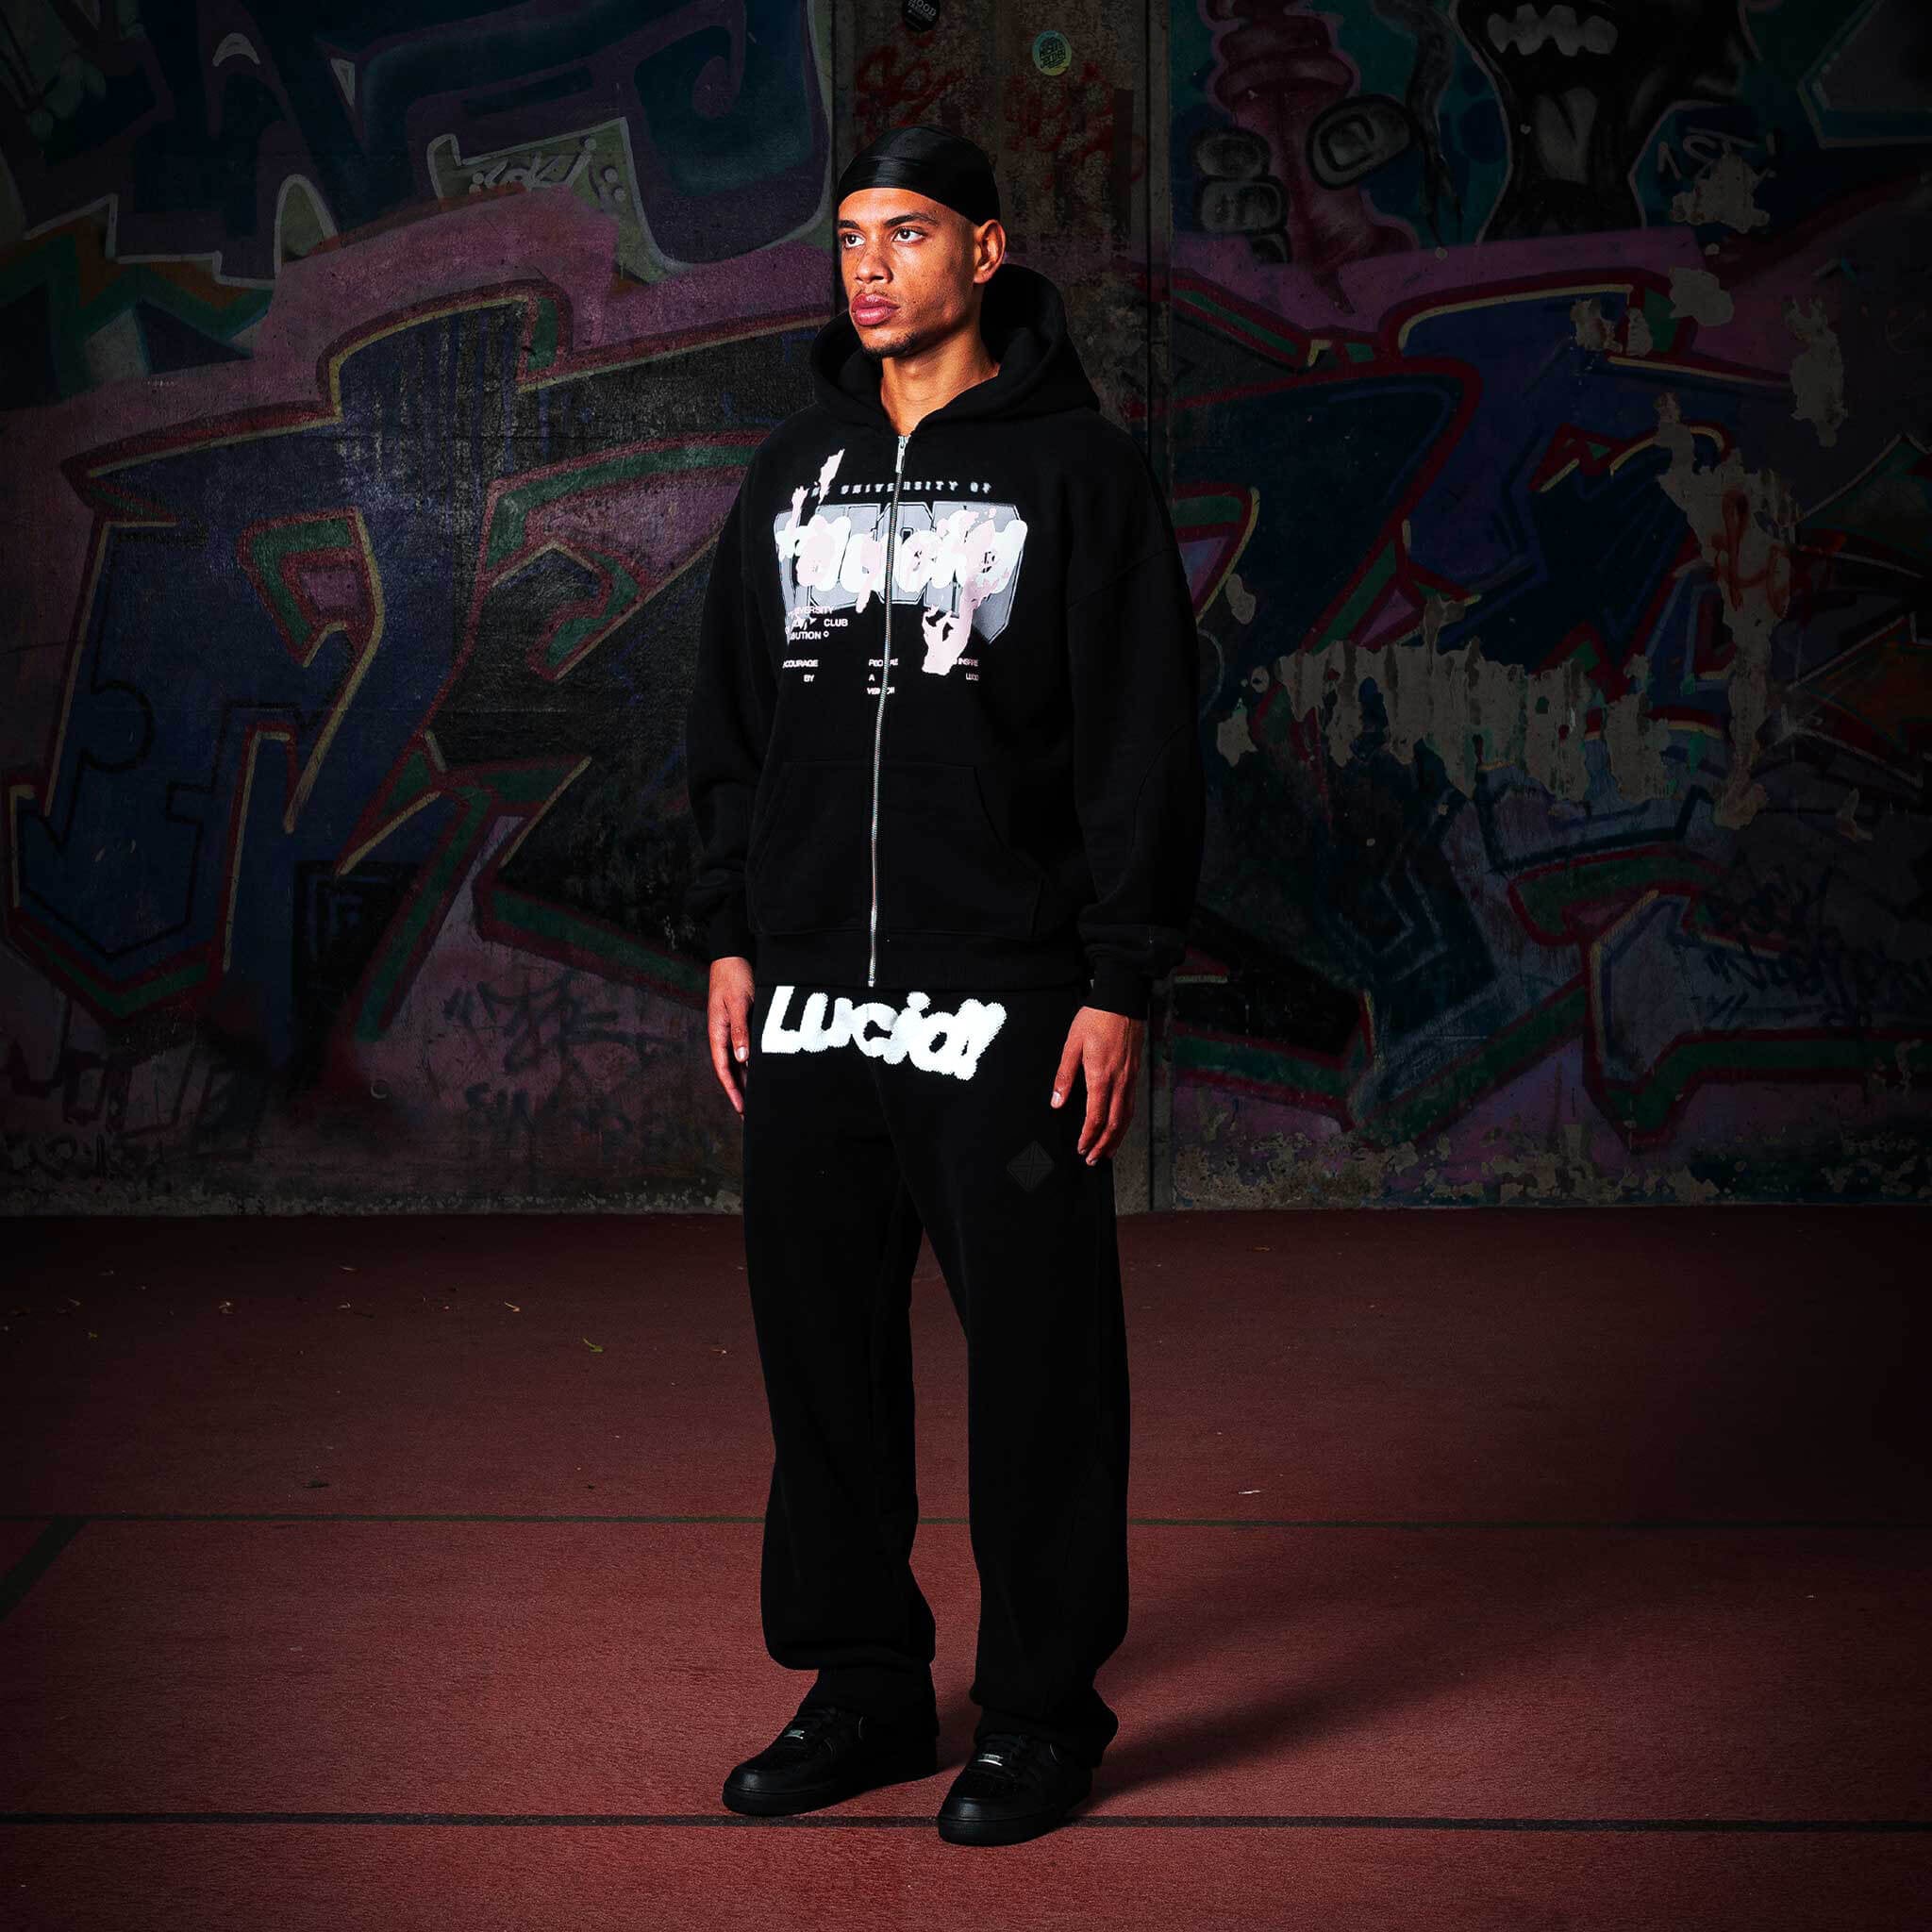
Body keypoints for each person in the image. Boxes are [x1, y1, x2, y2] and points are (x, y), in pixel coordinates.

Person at [682, 123, 1205, 1849]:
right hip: (812, 988)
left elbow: (1142, 736)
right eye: (850, 237)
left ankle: (1042, 1714)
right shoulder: (793, 471)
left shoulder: (1080, 472)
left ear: (986, 251)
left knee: (1042, 1368)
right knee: (822, 1360)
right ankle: (867, 1688)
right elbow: (730, 722)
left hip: (1008, 990)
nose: (870, 267)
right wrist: (731, 934)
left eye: (906, 233)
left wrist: (1119, 974)